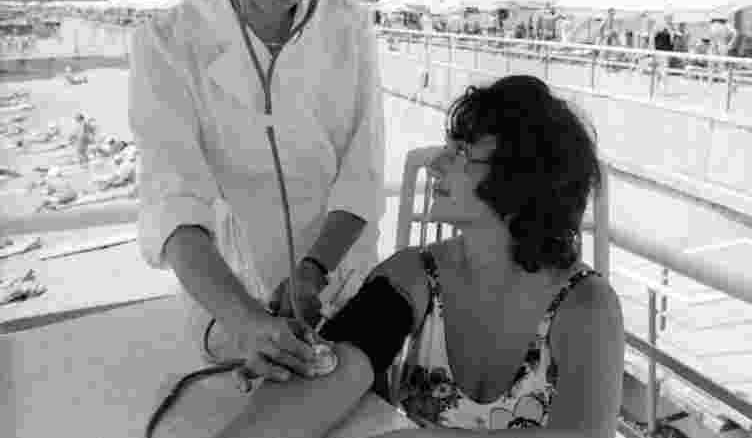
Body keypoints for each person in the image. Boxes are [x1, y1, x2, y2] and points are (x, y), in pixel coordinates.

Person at [214, 76, 624, 438]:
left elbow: (586, 433)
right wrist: (294, 360)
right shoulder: (414, 275)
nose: (437, 165)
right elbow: (340, 369)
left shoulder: (587, 306)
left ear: (522, 178)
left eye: (461, 152)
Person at [130, 0, 385, 383]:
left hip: (339, 283)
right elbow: (176, 204)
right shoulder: (168, 45)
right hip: (230, 302)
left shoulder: (349, 30)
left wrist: (312, 273)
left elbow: (361, 175)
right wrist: (247, 321)